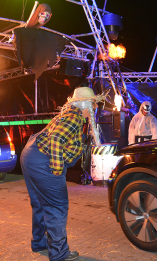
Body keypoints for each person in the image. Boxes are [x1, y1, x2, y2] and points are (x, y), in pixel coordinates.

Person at [20, 87, 106, 261]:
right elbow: (56, 139)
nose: (96, 107)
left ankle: (39, 242)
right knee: (57, 207)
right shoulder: (74, 117)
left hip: (31, 155)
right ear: (86, 104)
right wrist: (57, 169)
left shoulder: (68, 115)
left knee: (40, 204)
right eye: (94, 104)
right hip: (42, 160)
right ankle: (59, 253)